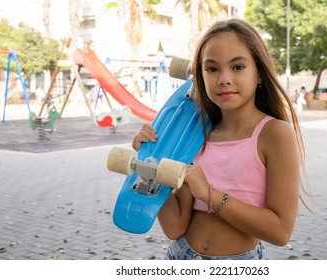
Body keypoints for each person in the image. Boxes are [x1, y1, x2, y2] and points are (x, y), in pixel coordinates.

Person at [132, 18, 308, 260]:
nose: (224, 78)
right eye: (212, 68)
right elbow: (174, 227)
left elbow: (280, 232)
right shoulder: (197, 135)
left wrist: (209, 194)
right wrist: (150, 164)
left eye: (237, 67)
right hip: (180, 256)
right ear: (201, 77)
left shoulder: (275, 134)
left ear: (259, 74)